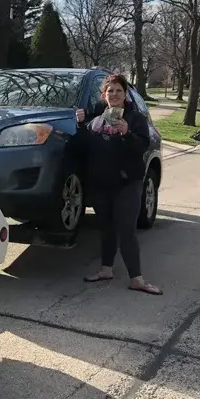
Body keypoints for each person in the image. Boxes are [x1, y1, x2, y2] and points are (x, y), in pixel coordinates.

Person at [74, 74, 162, 295]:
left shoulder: (135, 119)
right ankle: (106, 269)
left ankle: (137, 279)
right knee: (106, 227)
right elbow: (84, 147)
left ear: (125, 94)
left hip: (127, 183)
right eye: (110, 91)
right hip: (101, 184)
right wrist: (81, 124)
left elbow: (141, 146)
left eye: (118, 91)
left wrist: (126, 133)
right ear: (104, 95)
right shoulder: (96, 119)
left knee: (126, 230)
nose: (114, 94)